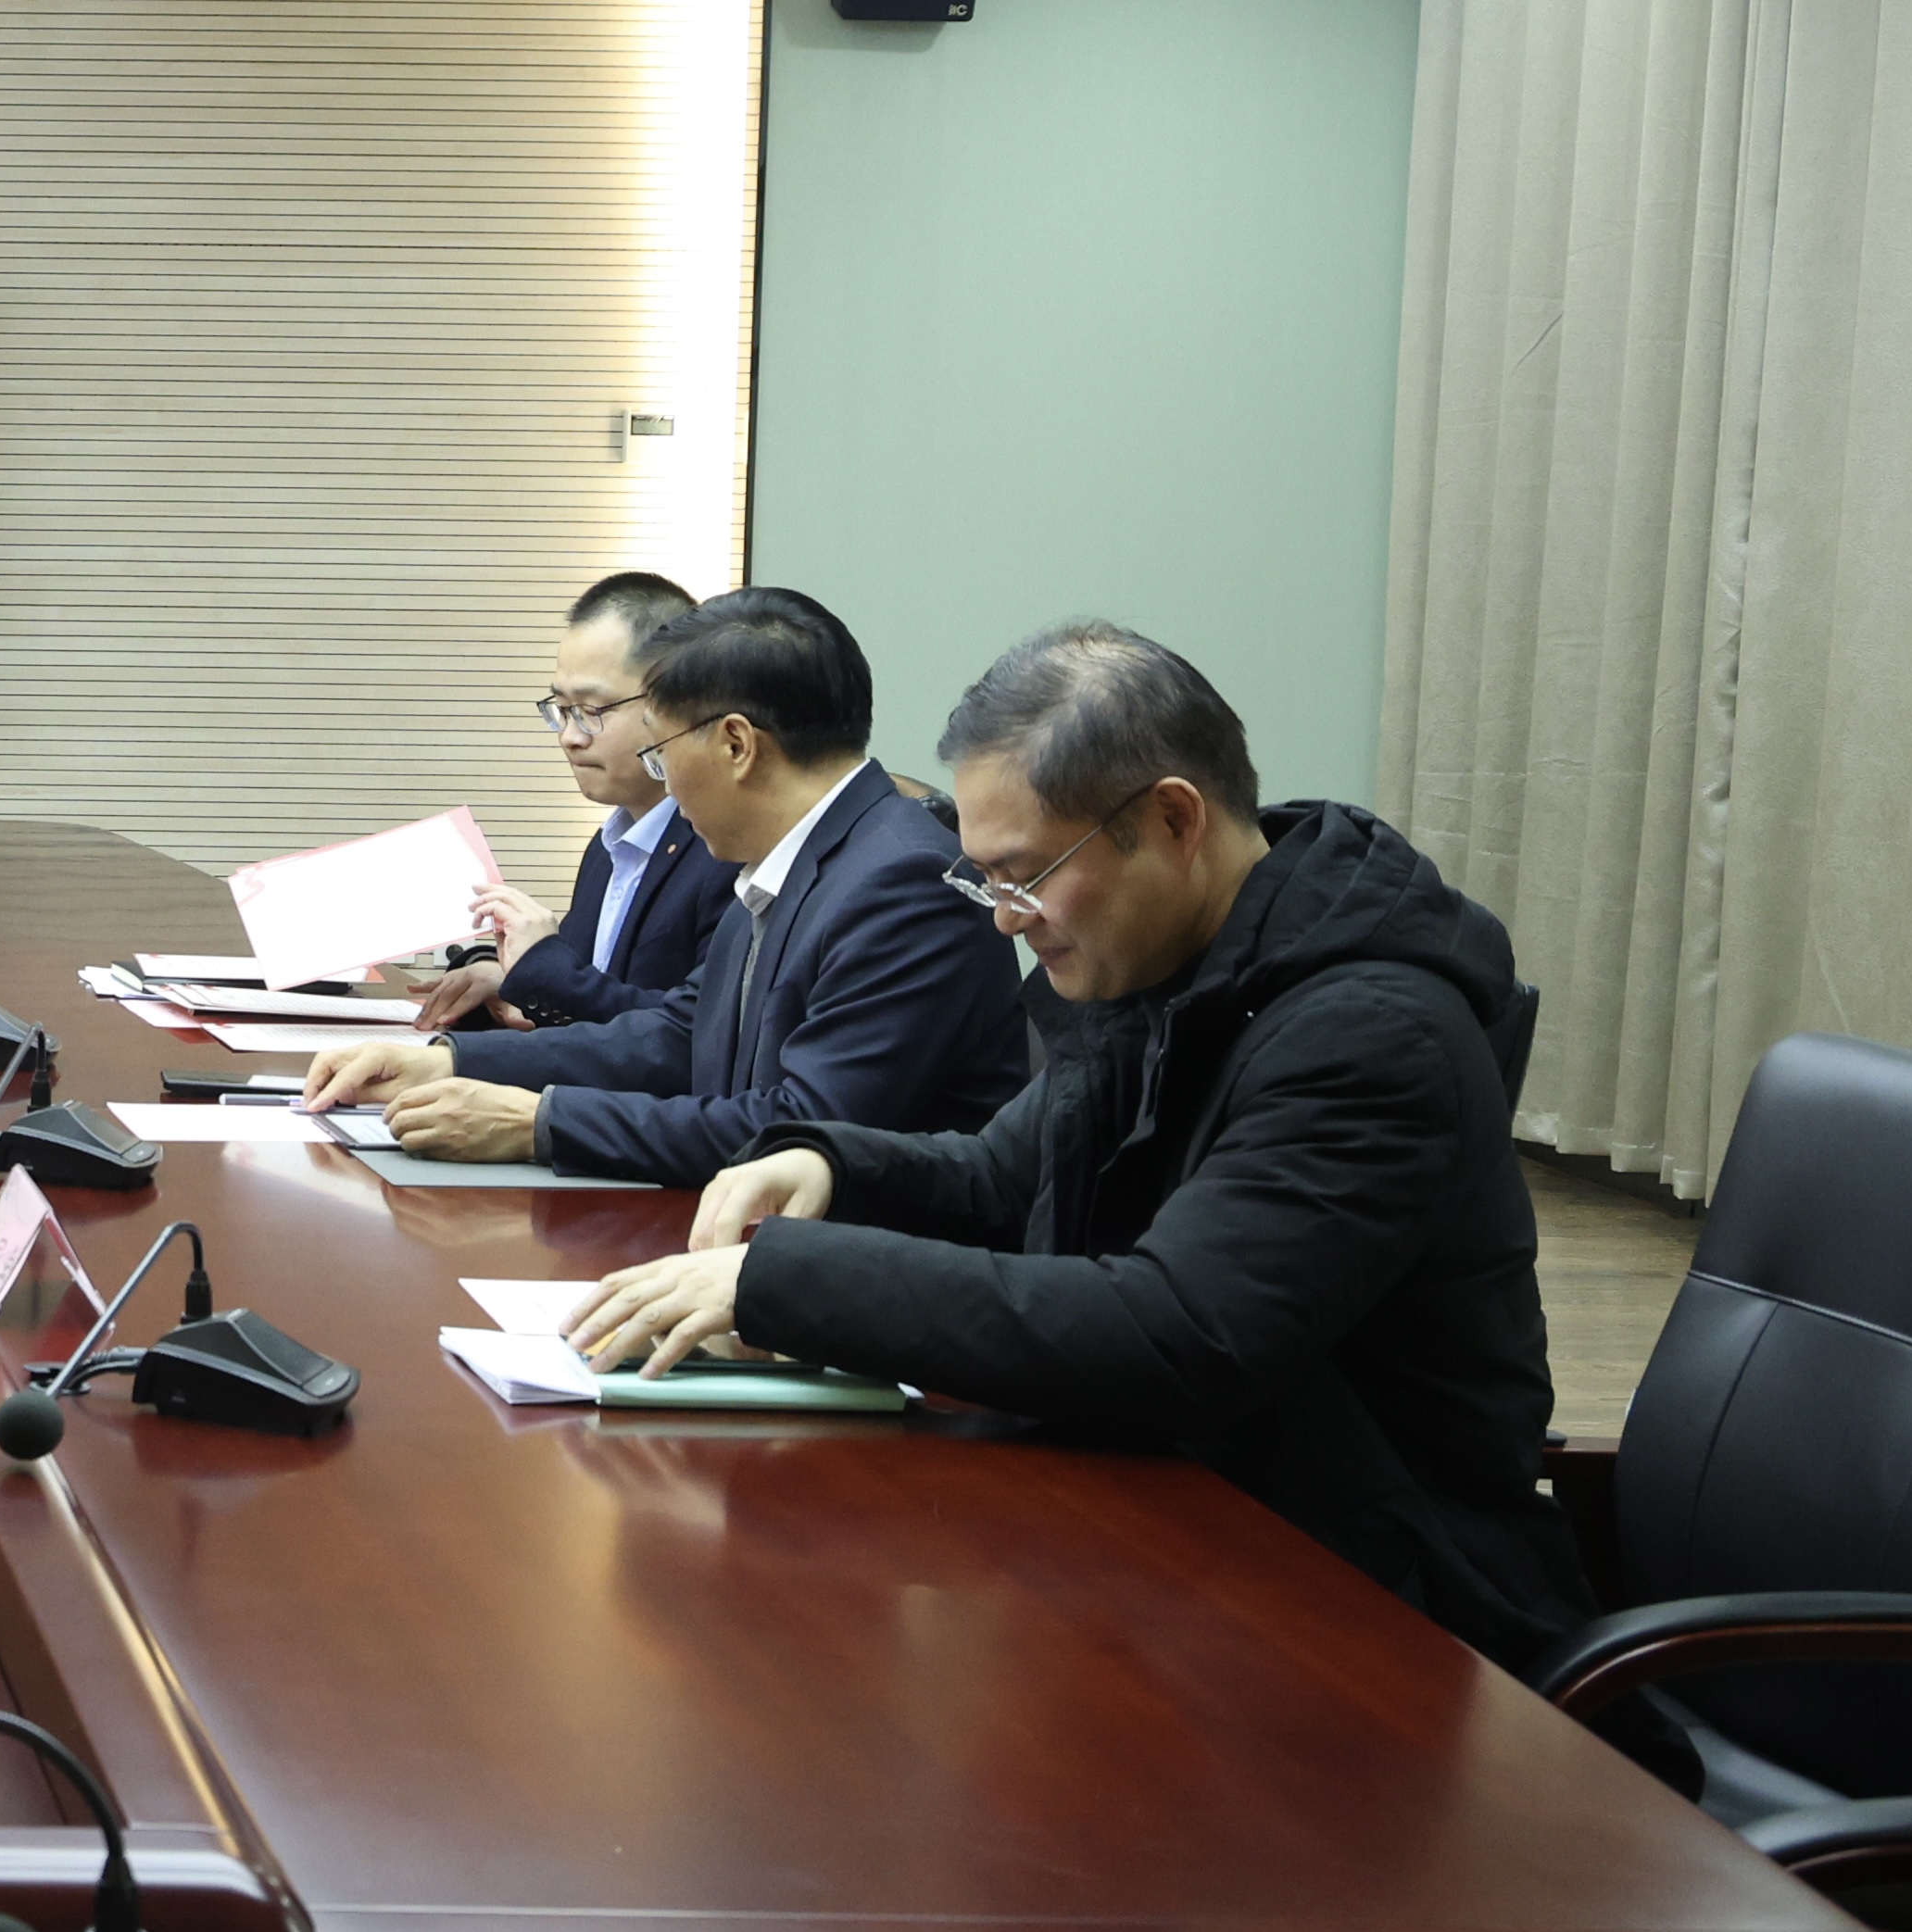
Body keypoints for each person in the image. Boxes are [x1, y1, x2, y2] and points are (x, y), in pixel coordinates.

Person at [568, 625, 1591, 1665]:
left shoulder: (1369, 1033)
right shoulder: (1166, 963)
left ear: (1173, 820)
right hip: (1183, 1525)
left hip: (1376, 1605)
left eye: (1025, 876)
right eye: (988, 881)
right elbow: (1001, 1179)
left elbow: (1176, 1333)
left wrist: (786, 1282)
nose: (1007, 922)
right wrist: (829, 1163)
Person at [303, 587, 1024, 1182]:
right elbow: (679, 1037)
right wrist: (449, 1061)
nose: (665, 782)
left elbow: (801, 1128)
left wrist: (540, 1123)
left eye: (661, 753)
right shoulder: (793, 858)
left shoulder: (904, 881)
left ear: (737, 744)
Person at [405, 570, 731, 1033]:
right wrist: (507, 976)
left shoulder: (724, 852)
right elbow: (585, 1004)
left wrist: (544, 968)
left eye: (592, 711)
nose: (570, 737)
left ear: (673, 703)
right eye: (562, 709)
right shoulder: (608, 846)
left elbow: (687, 1034)